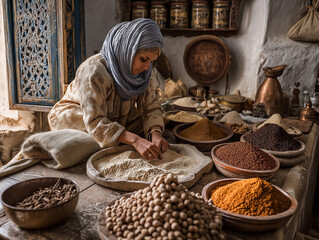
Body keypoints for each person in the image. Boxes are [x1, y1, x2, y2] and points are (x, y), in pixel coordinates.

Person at [48, 18, 169, 160]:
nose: (147, 67)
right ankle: (117, 137)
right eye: (143, 59)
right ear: (128, 50)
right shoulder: (93, 71)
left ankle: (120, 136)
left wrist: (155, 133)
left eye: (151, 61)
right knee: (88, 142)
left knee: (158, 121)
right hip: (81, 119)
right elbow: (94, 121)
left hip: (115, 117)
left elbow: (151, 106)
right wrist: (135, 140)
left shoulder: (143, 72)